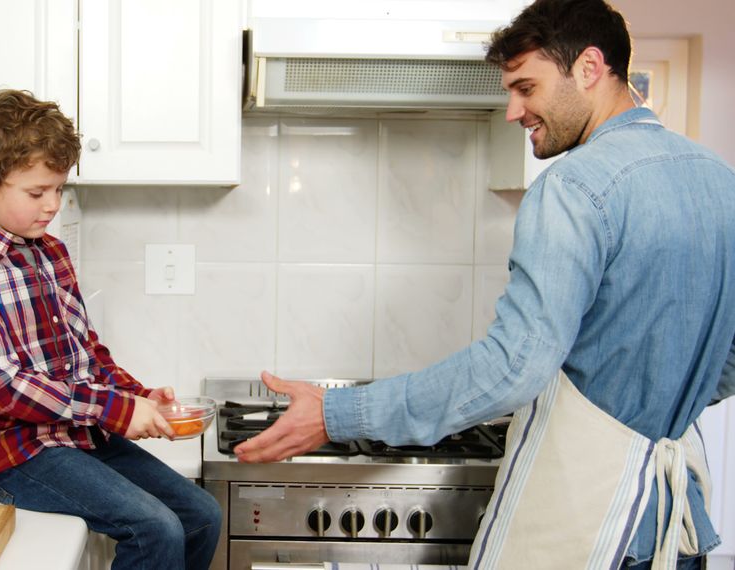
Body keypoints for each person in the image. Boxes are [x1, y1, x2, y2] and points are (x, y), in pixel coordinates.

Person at [234, 0, 735, 568]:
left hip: (589, 522)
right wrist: (652, 399)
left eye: (527, 87)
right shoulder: (722, 181)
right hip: (675, 522)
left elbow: (511, 369)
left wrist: (335, 413)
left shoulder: (575, 185)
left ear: (590, 68)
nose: (512, 111)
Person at [0, 89, 221, 569]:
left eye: (58, 189)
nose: (52, 205)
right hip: (12, 453)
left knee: (203, 515)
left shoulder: (51, 251)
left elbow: (87, 353)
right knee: (154, 528)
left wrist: (140, 398)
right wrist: (114, 409)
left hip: (78, 434)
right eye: (36, 192)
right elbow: (0, 389)